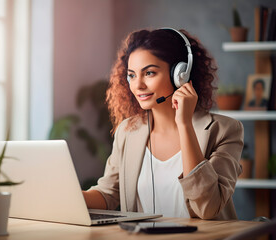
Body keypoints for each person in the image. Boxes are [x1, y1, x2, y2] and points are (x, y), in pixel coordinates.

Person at [82, 28, 244, 220]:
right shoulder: (128, 131)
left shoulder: (224, 130)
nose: (138, 85)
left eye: (149, 73)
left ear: (180, 74)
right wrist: (65, 195)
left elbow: (208, 207)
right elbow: (108, 194)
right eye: (132, 75)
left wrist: (184, 124)